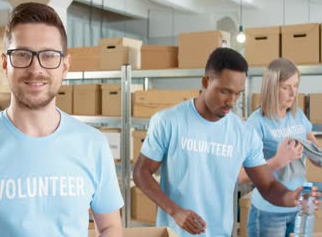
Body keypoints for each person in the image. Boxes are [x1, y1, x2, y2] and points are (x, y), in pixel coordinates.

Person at [0, 2, 124, 237]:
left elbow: (111, 226)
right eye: (22, 55)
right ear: (4, 63)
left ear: (65, 65)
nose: (35, 68)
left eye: (49, 55)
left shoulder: (93, 145)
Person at [133, 48, 320, 237]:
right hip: (174, 233)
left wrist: (291, 197)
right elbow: (141, 172)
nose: (231, 101)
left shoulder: (244, 133)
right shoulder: (168, 121)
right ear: (205, 82)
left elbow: (268, 186)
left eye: (238, 94)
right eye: (225, 91)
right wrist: (174, 211)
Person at [240, 58, 322, 237]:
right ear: (271, 88)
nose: (293, 93)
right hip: (269, 212)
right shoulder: (257, 123)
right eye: (286, 87)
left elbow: (317, 158)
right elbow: (242, 176)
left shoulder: (299, 116)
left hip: (300, 206)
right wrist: (279, 161)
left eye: (296, 85)